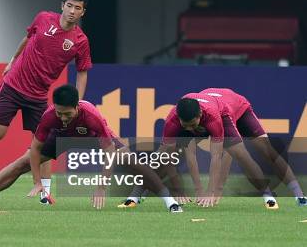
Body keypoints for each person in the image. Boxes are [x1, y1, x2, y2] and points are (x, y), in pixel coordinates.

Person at [0, 0, 92, 210]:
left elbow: (82, 72)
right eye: (69, 6)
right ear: (62, 5)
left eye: (77, 8)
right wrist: (12, 60)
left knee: (43, 146)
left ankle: (46, 195)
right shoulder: (43, 18)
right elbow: (27, 38)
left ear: (83, 12)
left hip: (38, 96)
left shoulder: (80, 40)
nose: (72, 11)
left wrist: (77, 103)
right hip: (14, 85)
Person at [123, 88, 307, 208]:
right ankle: (136, 196)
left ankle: (297, 196)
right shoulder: (173, 119)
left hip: (235, 108)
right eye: (184, 125)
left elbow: (217, 156)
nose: (188, 129)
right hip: (212, 102)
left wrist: (212, 192)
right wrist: (190, 190)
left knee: (259, 151)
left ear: (200, 115)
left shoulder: (213, 118)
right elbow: (172, 158)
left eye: (192, 124)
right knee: (163, 154)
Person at [24, 85, 183, 212]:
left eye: (67, 113)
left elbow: (109, 150)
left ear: (76, 107)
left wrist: (101, 187)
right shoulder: (51, 115)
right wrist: (37, 181)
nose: (63, 116)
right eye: (60, 113)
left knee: (132, 163)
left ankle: (169, 202)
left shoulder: (92, 115)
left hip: (95, 137)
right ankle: (0, 192)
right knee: (23, 162)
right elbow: (36, 148)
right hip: (65, 135)